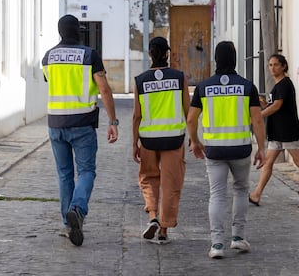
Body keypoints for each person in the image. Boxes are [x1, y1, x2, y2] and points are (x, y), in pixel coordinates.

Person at [42, 14, 118, 246]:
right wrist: (113, 121)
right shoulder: (89, 55)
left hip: (55, 125)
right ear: (78, 31)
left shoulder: (48, 57)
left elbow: (49, 82)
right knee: (86, 172)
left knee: (64, 174)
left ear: (60, 32)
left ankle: (68, 225)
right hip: (82, 123)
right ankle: (77, 209)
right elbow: (103, 88)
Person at [187, 41, 266, 259]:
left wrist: (194, 141)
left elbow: (191, 118)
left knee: (217, 194)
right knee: (241, 189)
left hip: (214, 151)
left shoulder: (203, 87)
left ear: (215, 59)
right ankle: (238, 238)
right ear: (234, 58)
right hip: (240, 149)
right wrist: (261, 148)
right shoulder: (247, 86)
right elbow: (257, 121)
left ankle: (217, 244)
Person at [132, 36, 190, 244]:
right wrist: (193, 136)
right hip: (174, 139)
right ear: (167, 53)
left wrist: (134, 142)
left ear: (149, 54)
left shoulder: (140, 80)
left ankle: (152, 216)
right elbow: (187, 109)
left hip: (148, 140)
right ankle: (164, 228)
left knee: (148, 179)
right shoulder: (179, 77)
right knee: (171, 183)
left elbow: (137, 115)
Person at [248, 54, 299, 208]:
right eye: (270, 65)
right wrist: (262, 105)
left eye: (276, 64)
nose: (272, 68)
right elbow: (272, 105)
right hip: (277, 132)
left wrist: (258, 115)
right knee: (268, 162)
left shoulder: (284, 84)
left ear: (283, 66)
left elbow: (277, 106)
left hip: (287, 130)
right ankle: (256, 195)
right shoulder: (277, 86)